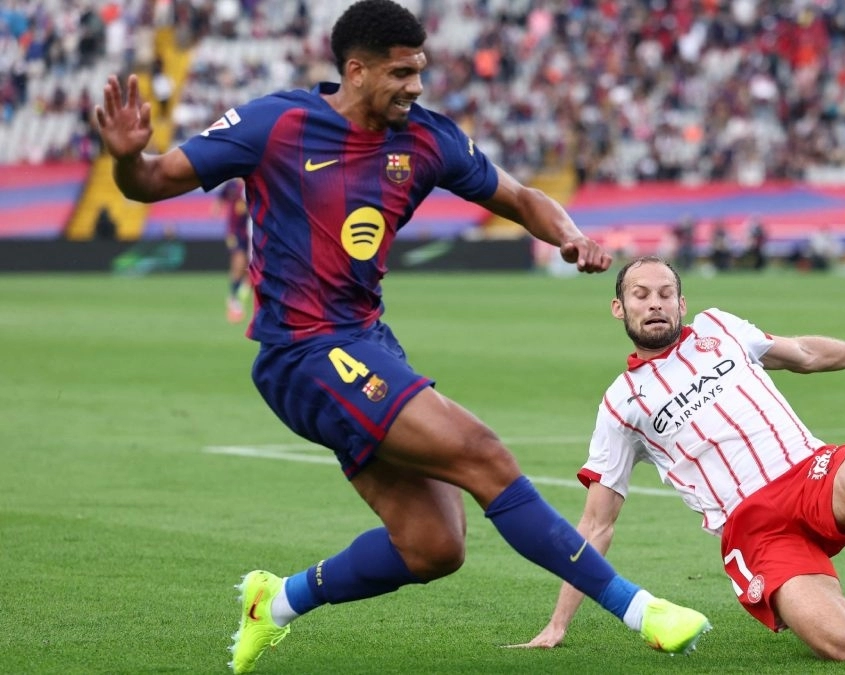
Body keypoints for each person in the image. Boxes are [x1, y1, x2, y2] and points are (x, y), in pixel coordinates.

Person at [91, 3, 710, 673]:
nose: (416, 86)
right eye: (401, 73)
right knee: (482, 453)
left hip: (366, 343)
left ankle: (273, 603)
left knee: (434, 545)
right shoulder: (277, 124)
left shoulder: (426, 139)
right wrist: (127, 161)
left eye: (420, 71)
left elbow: (521, 195)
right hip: (301, 353)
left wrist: (570, 235)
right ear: (355, 70)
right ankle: (642, 611)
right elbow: (152, 180)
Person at [512, 256, 845, 661]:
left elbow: (803, 353)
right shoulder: (621, 404)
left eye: (665, 293)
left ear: (682, 304)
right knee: (842, 644)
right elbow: (596, 524)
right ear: (620, 308)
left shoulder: (720, 327)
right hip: (756, 528)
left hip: (807, 471)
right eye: (640, 295)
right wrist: (558, 623)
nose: (653, 302)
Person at [215, 177, 250, 322]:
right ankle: (233, 297)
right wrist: (216, 209)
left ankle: (240, 291)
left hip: (251, 232)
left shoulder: (254, 183)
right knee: (238, 259)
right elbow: (220, 199)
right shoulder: (232, 185)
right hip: (235, 232)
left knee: (249, 265)